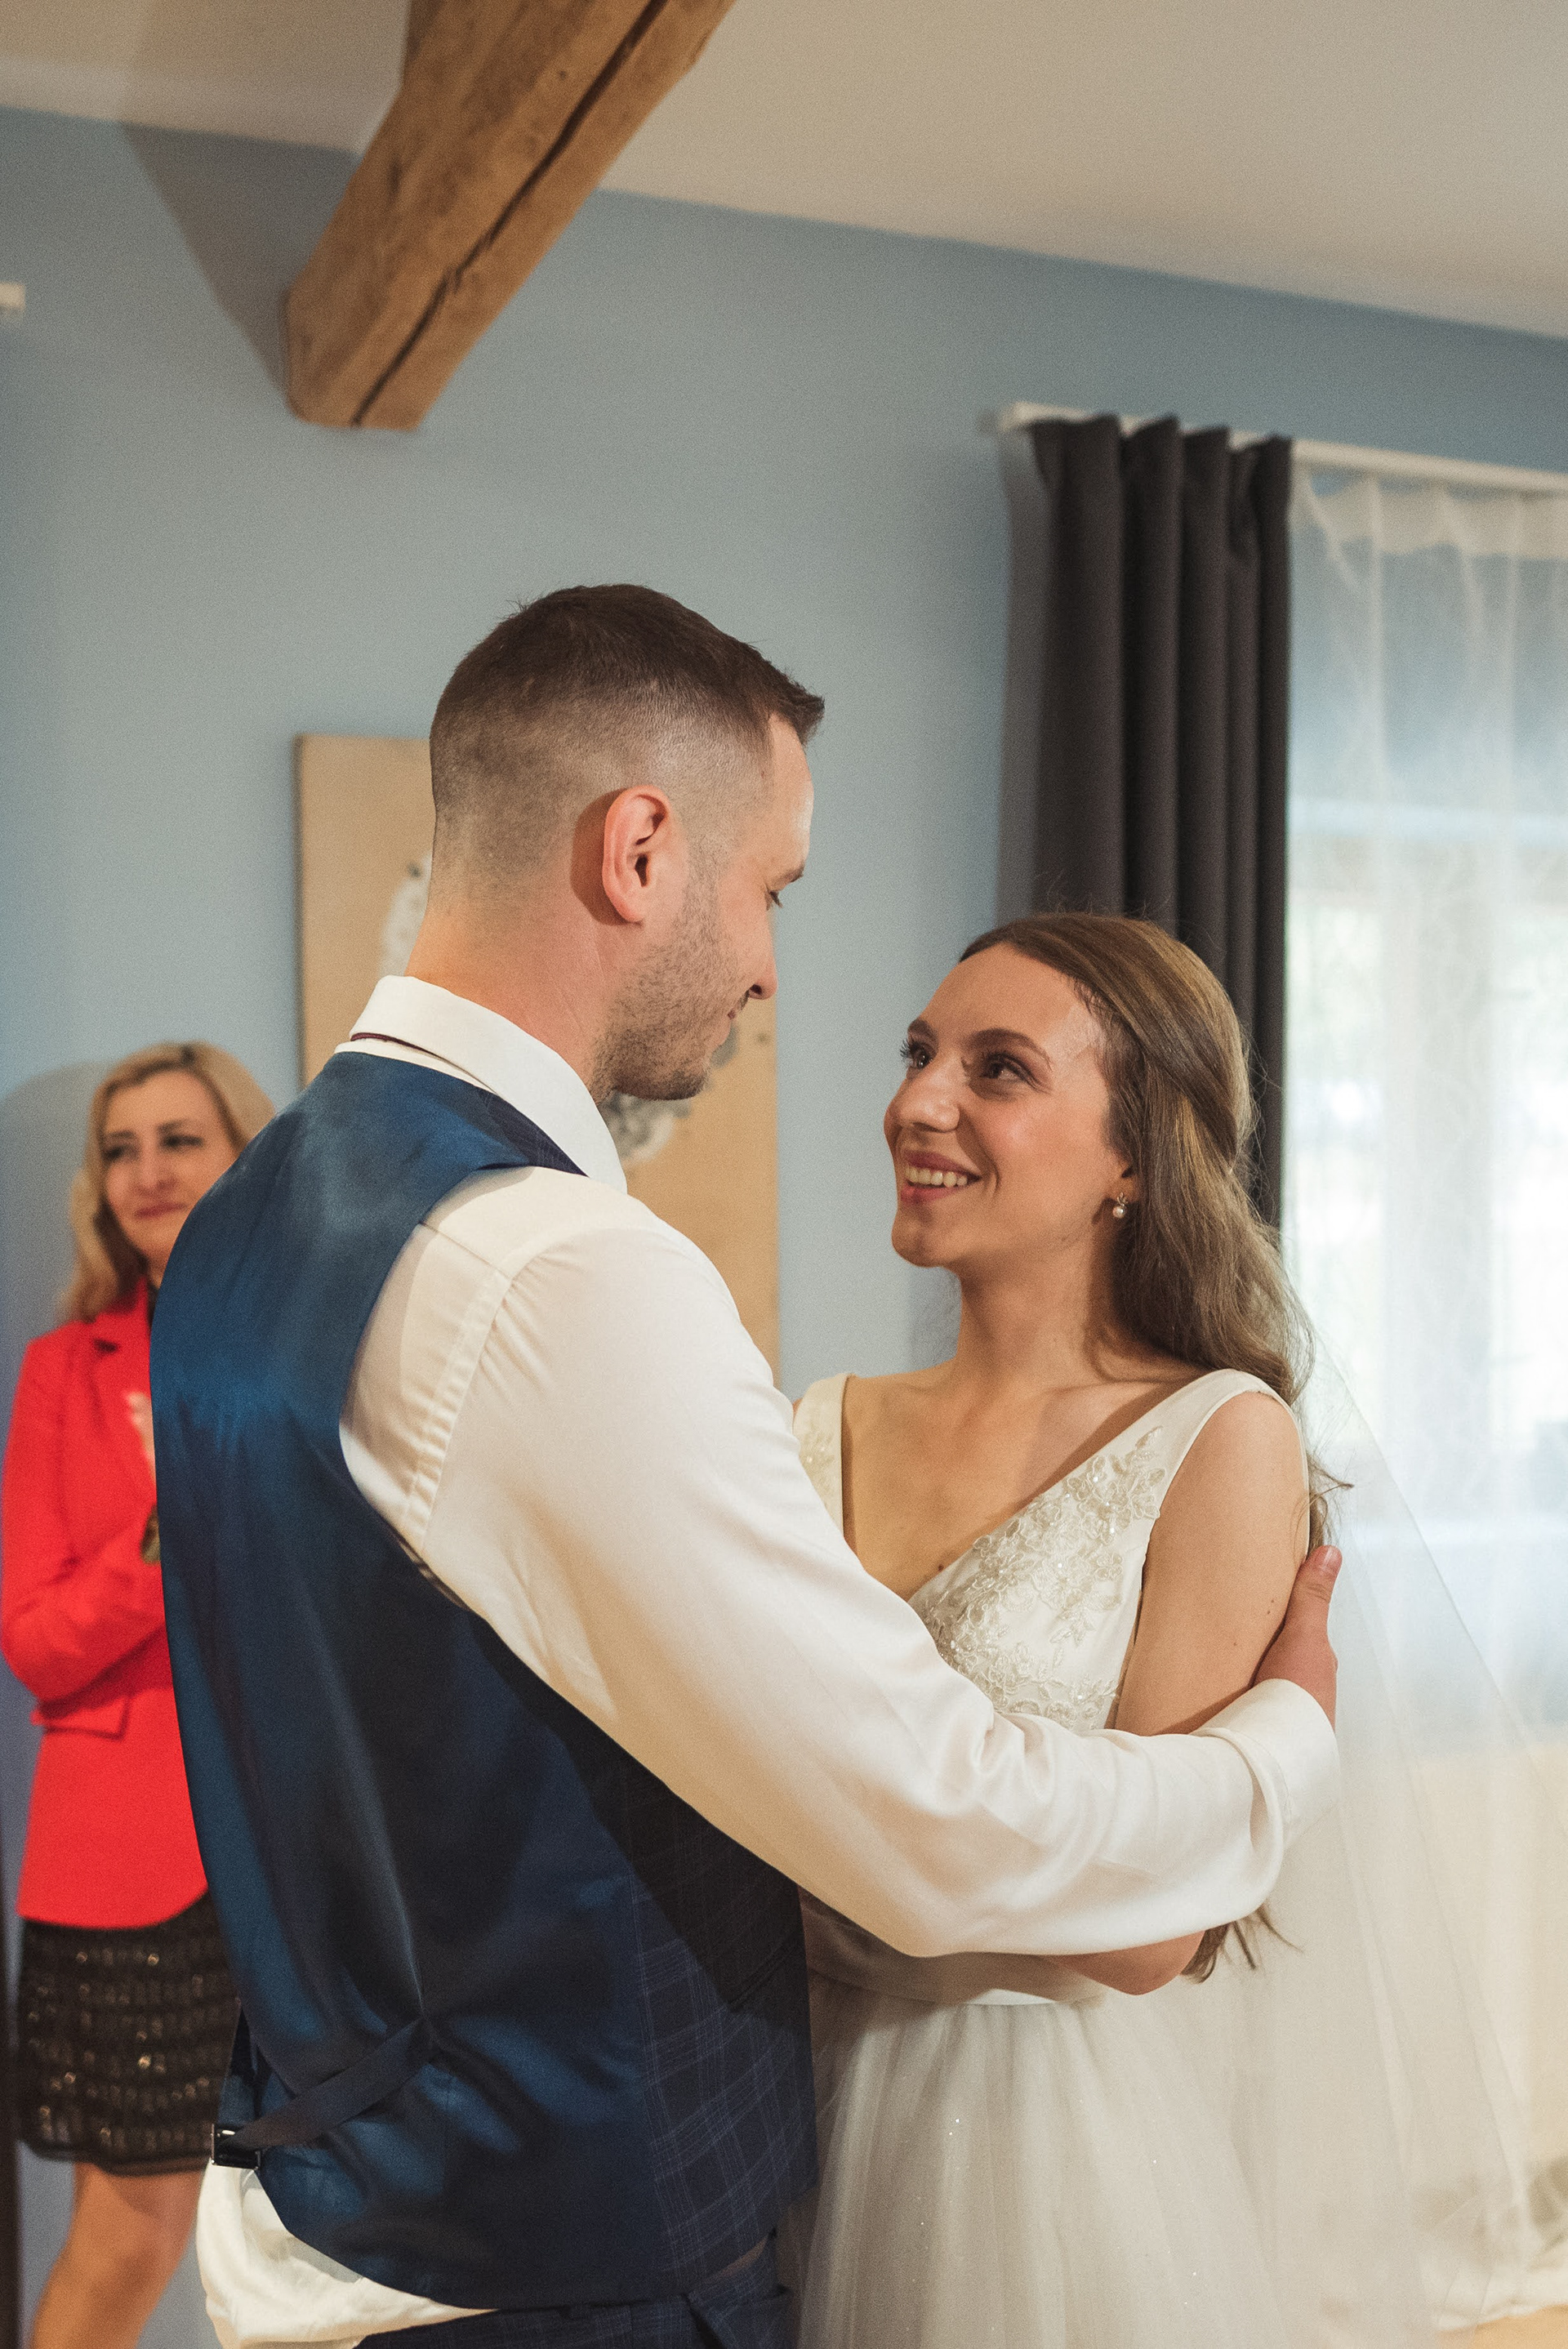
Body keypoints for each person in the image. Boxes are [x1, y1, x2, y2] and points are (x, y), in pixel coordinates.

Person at [149, 586, 1341, 2349]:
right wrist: (1286, 1745)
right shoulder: (560, 1269)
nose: (775, 967)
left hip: (347, 2212)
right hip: (552, 2268)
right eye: (771, 887)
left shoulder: (253, 1219)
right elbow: (925, 1817)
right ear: (640, 851)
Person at [779, 912, 1439, 2347]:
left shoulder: (1218, 1436)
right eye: (918, 1053)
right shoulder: (813, 1426)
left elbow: (1150, 1932)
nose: (918, 1102)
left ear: (1133, 1157)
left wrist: (835, 1851)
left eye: (998, 1068)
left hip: (1015, 2146)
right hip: (771, 2106)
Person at [1, 1041, 273, 2349]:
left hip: (302, 1856)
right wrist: (169, 1537)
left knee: (315, 2231)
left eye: (180, 1139)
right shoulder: (68, 1369)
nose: (148, 1172)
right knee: (129, 2236)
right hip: (129, 1868)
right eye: (122, 1149)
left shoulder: (312, 1348)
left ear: (244, 1157)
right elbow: (38, 1640)